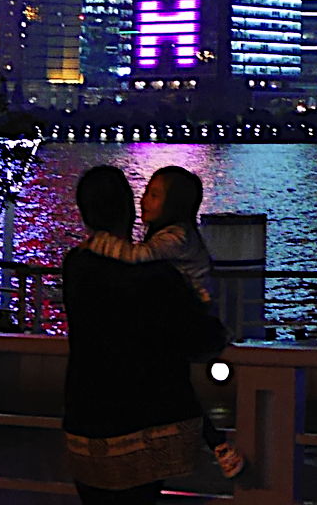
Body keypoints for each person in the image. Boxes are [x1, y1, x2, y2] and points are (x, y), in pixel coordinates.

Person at [63, 164, 226, 504]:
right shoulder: (156, 277)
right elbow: (199, 340)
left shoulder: (75, 265)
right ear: (128, 209)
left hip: (84, 420)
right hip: (141, 426)